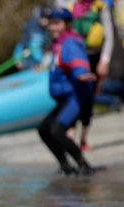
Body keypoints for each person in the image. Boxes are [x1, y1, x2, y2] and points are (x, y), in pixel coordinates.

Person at [38, 8, 97, 176]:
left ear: (67, 24)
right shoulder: (58, 44)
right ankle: (65, 166)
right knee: (44, 129)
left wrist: (82, 73)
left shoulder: (71, 42)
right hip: (64, 98)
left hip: (75, 97)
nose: (53, 28)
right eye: (51, 24)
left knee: (56, 130)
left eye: (57, 24)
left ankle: (84, 165)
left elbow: (78, 61)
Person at [66, 0, 115, 151]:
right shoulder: (72, 7)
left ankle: (83, 140)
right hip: (77, 58)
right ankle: (70, 137)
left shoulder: (101, 7)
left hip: (94, 58)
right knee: (73, 96)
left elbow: (109, 35)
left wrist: (105, 60)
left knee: (89, 98)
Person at [14, 5, 52, 71]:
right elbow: (34, 48)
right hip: (26, 59)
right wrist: (43, 63)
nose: (46, 20)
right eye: (44, 17)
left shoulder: (45, 28)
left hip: (31, 59)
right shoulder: (34, 27)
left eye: (48, 18)